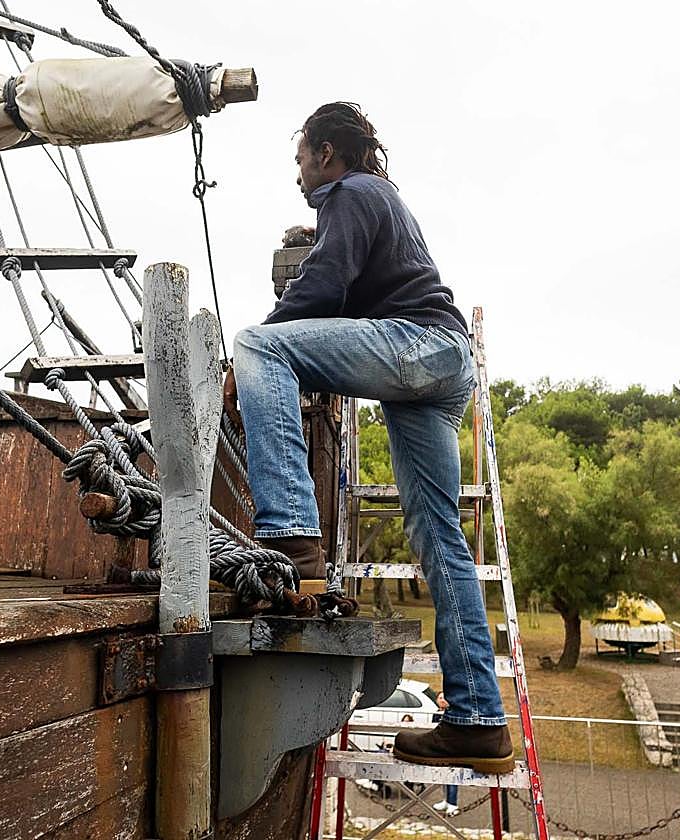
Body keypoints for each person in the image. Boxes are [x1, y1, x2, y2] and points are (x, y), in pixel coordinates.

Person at [225, 102, 513, 774]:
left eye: (301, 160)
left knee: (259, 347)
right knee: (441, 538)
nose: (299, 176)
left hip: (419, 349)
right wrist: (322, 241)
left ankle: (293, 537)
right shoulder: (373, 200)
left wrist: (249, 366)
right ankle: (479, 719)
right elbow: (350, 282)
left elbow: (322, 287)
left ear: (328, 154)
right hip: (443, 365)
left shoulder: (351, 191)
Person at [431, 692, 460, 816]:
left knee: (452, 776)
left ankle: (453, 804)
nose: (442, 700)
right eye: (440, 698)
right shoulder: (436, 714)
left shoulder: (453, 713)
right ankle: (446, 800)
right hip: (440, 749)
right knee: (443, 776)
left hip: (453, 748)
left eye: (444, 698)